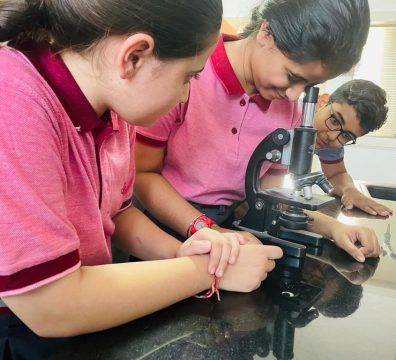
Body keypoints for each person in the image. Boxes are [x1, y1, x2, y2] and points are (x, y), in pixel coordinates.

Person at [0, 1, 283, 358]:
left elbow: (117, 214)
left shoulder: (116, 109)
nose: (185, 95)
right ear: (134, 56)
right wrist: (209, 272)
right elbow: (50, 305)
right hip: (17, 323)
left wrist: (180, 252)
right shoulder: (14, 100)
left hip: (84, 308)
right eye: (188, 77)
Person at [134, 0, 381, 263]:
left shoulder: (289, 109)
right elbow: (143, 174)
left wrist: (335, 229)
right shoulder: (188, 72)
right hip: (163, 231)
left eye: (308, 85)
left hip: (229, 232)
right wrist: (208, 229)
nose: (293, 94)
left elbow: (270, 197)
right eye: (292, 76)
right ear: (266, 33)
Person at [314, 79, 392, 217]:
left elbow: (336, 174)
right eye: (334, 121)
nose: (332, 137)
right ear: (323, 102)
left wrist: (350, 190)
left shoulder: (331, 142)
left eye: (346, 136)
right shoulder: (287, 113)